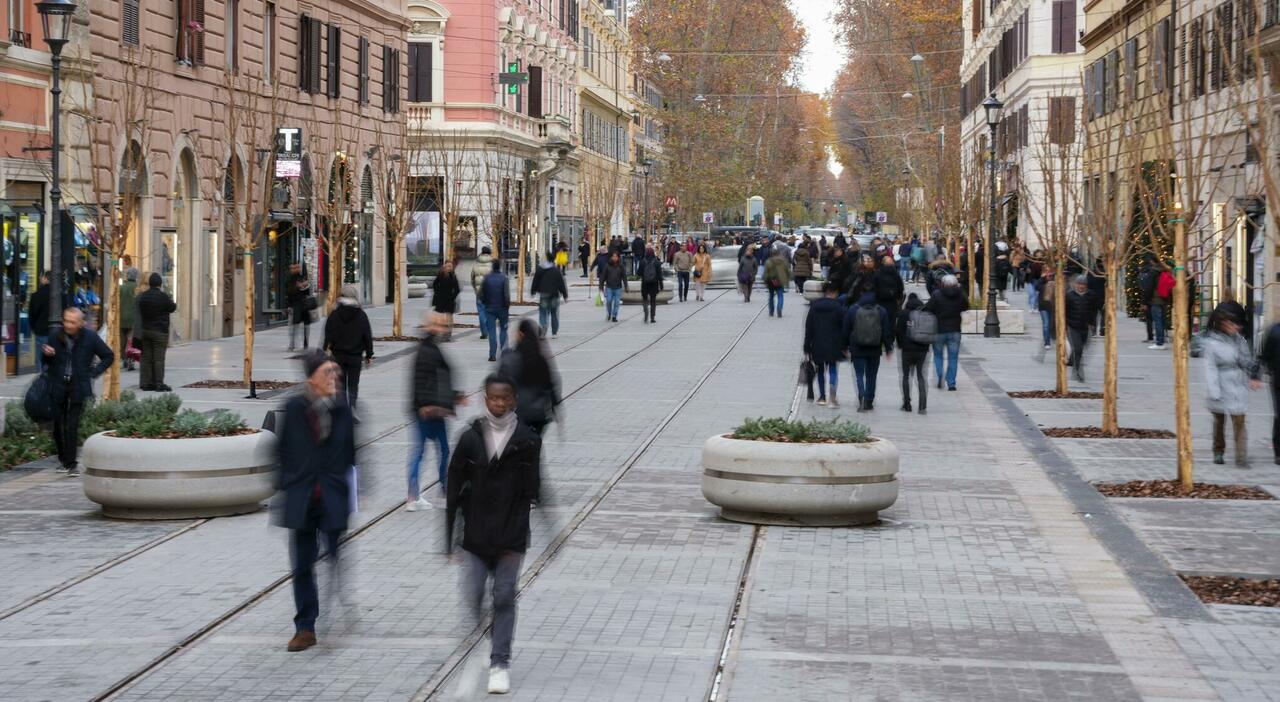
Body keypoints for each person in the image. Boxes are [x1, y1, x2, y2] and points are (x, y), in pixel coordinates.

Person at [445, 374, 542, 696]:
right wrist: (448, 538)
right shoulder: (470, 438)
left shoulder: (527, 439)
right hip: (475, 534)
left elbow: (533, 489)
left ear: (513, 399)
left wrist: (523, 525)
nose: (499, 404)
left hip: (510, 536)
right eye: (493, 398)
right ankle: (491, 636)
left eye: (505, 398)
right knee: (473, 593)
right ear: (485, 398)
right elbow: (453, 488)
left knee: (503, 596)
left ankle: (500, 662)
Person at [274, 350, 356, 653]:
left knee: (334, 556)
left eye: (335, 371)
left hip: (333, 497)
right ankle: (305, 626)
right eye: (327, 373)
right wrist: (287, 485)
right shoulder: (294, 408)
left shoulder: (343, 410)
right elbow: (280, 451)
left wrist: (353, 493)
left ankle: (337, 604)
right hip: (302, 499)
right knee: (303, 565)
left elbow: (351, 454)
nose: (334, 377)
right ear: (311, 379)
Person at [40, 307, 114, 477]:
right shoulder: (55, 336)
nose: (68, 325)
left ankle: (71, 463)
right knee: (58, 425)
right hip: (57, 385)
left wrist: (93, 373)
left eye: (72, 322)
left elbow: (108, 356)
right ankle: (63, 459)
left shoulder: (90, 337)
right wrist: (47, 355)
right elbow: (45, 361)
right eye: (66, 321)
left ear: (81, 323)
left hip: (78, 386)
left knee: (72, 426)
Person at [408, 312, 463, 511]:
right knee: (423, 451)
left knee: (441, 450)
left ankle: (443, 489)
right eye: (440, 325)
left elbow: (441, 376)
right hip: (427, 410)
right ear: (430, 326)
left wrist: (455, 396)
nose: (444, 329)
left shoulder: (431, 347)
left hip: (433, 409)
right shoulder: (426, 350)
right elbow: (422, 380)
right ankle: (415, 496)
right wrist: (425, 405)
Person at [1203, 304, 1261, 466]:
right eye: (1233, 323)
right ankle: (1218, 451)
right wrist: (1214, 391)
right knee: (1219, 422)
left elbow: (1245, 360)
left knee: (1240, 421)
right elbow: (1210, 368)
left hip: (1237, 385)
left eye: (1237, 324)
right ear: (1223, 323)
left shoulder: (1240, 341)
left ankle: (1241, 456)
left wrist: (1254, 373)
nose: (1237, 327)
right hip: (1220, 385)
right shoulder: (1212, 343)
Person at [499, 319, 561, 435]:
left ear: (520, 334)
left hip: (517, 413)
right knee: (534, 447)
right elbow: (551, 385)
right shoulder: (541, 359)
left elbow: (501, 384)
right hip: (539, 414)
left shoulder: (510, 357)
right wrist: (555, 406)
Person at [323, 284, 374, 415]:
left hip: (338, 355)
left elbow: (328, 333)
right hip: (355, 356)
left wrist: (325, 349)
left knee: (339, 385)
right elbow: (367, 335)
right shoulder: (361, 314)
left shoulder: (334, 314)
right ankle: (352, 407)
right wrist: (369, 355)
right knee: (353, 384)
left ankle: (340, 411)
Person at [843, 291, 893, 412]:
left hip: (857, 348)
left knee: (859, 375)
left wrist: (844, 346)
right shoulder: (881, 311)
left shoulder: (853, 309)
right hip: (874, 350)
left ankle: (862, 398)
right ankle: (869, 401)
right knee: (872, 376)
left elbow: (846, 329)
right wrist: (888, 348)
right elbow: (886, 332)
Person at [923, 273, 968, 391]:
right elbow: (966, 306)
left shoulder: (937, 294)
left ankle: (940, 376)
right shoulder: (960, 294)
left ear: (942, 284)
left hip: (938, 330)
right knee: (953, 358)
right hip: (955, 330)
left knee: (938, 355)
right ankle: (951, 383)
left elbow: (928, 308)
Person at [137, 272, 176, 392]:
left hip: (146, 330)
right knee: (158, 359)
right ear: (160, 284)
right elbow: (172, 307)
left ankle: (146, 383)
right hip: (159, 331)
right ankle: (159, 383)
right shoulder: (163, 296)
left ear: (150, 283)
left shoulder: (143, 296)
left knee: (146, 357)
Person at [895, 293, 931, 414]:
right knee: (921, 376)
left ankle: (907, 403)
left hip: (907, 350)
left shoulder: (904, 314)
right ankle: (922, 405)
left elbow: (898, 332)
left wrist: (901, 345)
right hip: (922, 350)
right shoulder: (925, 313)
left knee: (906, 376)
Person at [1257, 319, 1280, 465]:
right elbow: (1264, 356)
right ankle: (1278, 452)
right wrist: (1256, 375)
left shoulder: (1274, 330)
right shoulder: (1274, 331)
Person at [531, 252, 569, 337]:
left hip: (544, 294)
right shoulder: (556, 270)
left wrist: (533, 291)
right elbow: (561, 283)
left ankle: (543, 326)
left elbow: (535, 281)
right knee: (554, 313)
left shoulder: (540, 269)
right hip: (555, 295)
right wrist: (565, 295)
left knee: (543, 312)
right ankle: (554, 332)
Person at [1065, 275, 1094, 383]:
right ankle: (1078, 371)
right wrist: (1064, 326)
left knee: (1081, 349)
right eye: (1079, 284)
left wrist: (1092, 323)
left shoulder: (1090, 295)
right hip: (1073, 327)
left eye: (1083, 285)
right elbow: (1064, 311)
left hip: (1085, 327)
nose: (1081, 287)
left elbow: (1093, 310)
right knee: (1077, 349)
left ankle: (1076, 367)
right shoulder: (1069, 295)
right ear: (1075, 284)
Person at [480, 260, 511, 362]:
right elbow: (506, 295)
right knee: (503, 329)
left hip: (489, 308)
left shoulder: (486, 278)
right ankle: (503, 351)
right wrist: (507, 306)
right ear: (500, 267)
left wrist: (485, 303)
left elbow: (481, 294)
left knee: (492, 332)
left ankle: (492, 354)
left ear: (492, 267)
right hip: (502, 308)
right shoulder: (504, 278)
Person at [431, 260, 462, 340]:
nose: (448, 268)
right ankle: (437, 333)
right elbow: (435, 285)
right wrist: (437, 293)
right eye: (447, 266)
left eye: (450, 266)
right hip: (440, 299)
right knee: (439, 317)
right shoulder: (440, 275)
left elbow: (457, 289)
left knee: (449, 317)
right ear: (444, 267)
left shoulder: (453, 276)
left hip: (450, 300)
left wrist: (453, 296)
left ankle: (447, 334)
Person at [874, 254, 904, 330]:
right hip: (892, 301)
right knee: (891, 322)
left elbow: (874, 286)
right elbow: (900, 286)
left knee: (881, 321)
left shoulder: (878, 272)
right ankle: (889, 338)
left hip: (880, 301)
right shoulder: (895, 273)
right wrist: (899, 298)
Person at [286, 272, 315, 351]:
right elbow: (290, 298)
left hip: (305, 311)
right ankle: (292, 345)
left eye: (302, 281)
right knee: (293, 329)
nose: (301, 283)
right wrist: (289, 307)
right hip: (296, 311)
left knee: (306, 329)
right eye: (299, 282)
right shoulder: (293, 289)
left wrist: (305, 286)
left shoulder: (307, 289)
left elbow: (311, 296)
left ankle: (305, 345)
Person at [29, 270, 51, 372]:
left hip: (41, 331)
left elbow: (32, 315)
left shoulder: (36, 295)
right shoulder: (61, 295)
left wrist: (34, 328)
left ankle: (43, 381)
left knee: (41, 360)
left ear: (45, 278)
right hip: (57, 332)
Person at [1149, 261, 1174, 350]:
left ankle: (1159, 342)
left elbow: (1149, 287)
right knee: (1162, 321)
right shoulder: (1167, 273)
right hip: (1165, 300)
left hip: (1156, 301)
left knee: (1157, 322)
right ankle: (1162, 340)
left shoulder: (1154, 273)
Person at [472, 247, 495, 340]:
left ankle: (484, 332)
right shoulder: (493, 263)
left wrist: (475, 289)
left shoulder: (476, 263)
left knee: (481, 312)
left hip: (479, 292)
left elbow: (472, 278)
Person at [764, 244, 792, 318]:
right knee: (780, 295)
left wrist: (765, 280)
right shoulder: (783, 261)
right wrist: (788, 279)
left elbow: (766, 273)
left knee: (771, 296)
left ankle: (771, 311)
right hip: (780, 281)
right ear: (779, 253)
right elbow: (788, 271)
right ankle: (779, 309)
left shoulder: (768, 261)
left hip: (771, 281)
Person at [119, 268, 138, 371]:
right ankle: (131, 360)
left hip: (121, 319)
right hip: (133, 319)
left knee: (122, 341)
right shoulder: (137, 288)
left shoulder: (121, 288)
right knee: (131, 341)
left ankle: (124, 359)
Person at [600, 251, 627, 323]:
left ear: (618, 258)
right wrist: (601, 286)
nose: (615, 258)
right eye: (613, 256)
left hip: (618, 287)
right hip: (609, 287)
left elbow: (624, 277)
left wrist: (626, 286)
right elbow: (603, 276)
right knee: (609, 301)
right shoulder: (607, 265)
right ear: (611, 257)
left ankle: (614, 316)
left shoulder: (621, 266)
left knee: (616, 303)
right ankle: (609, 313)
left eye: (616, 257)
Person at [639, 246, 664, 323]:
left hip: (645, 283)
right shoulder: (656, 262)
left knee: (645, 299)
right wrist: (661, 284)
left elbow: (639, 273)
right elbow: (660, 274)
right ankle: (652, 317)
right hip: (654, 283)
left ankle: (646, 311)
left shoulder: (642, 261)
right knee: (653, 301)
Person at [1087, 259, 1107, 336]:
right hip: (1103, 296)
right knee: (1103, 315)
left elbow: (1088, 285)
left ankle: (1093, 331)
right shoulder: (1105, 273)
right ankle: (1103, 331)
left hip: (1093, 296)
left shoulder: (1091, 273)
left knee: (1093, 315)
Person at [1038, 268, 1056, 350]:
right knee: (1046, 324)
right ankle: (1047, 342)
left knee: (1051, 325)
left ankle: (1051, 338)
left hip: (1053, 307)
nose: (1050, 277)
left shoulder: (1056, 282)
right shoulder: (1042, 283)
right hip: (1044, 307)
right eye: (1048, 275)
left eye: (1051, 275)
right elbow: (1037, 287)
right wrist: (1042, 278)